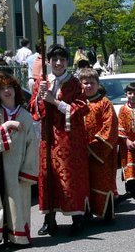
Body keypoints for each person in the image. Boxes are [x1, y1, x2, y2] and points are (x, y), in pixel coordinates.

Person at [30, 44, 90, 237]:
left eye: (62, 60)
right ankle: (49, 219)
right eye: (54, 59)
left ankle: (77, 218)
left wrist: (55, 102)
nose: (58, 63)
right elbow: (33, 109)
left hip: (69, 139)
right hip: (48, 137)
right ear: (48, 61)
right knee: (48, 177)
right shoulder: (42, 81)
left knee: (70, 178)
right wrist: (40, 97)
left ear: (66, 62)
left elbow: (82, 108)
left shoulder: (75, 83)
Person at [0, 71, 38, 252]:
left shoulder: (25, 116)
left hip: (18, 168)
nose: (7, 91)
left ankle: (17, 237)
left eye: (10, 87)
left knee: (17, 201)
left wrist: (27, 170)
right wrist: (5, 127)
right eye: (2, 88)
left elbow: (33, 145)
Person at [79, 68, 118, 222]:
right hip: (80, 152)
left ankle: (106, 214)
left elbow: (110, 128)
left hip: (102, 153)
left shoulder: (104, 103)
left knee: (102, 182)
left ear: (97, 84)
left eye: (92, 83)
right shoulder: (78, 103)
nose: (88, 86)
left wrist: (92, 147)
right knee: (84, 183)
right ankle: (85, 213)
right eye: (85, 83)